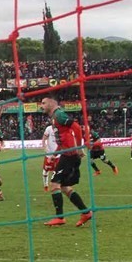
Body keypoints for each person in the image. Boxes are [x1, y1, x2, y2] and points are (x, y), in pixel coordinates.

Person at [40, 95, 92, 227]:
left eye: (43, 103)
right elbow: (63, 139)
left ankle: (60, 218)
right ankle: (86, 212)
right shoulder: (54, 118)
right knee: (64, 187)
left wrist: (80, 147)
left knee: (54, 185)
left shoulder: (59, 115)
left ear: (52, 103)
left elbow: (77, 128)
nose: (41, 106)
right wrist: (55, 153)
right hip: (65, 155)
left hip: (70, 156)